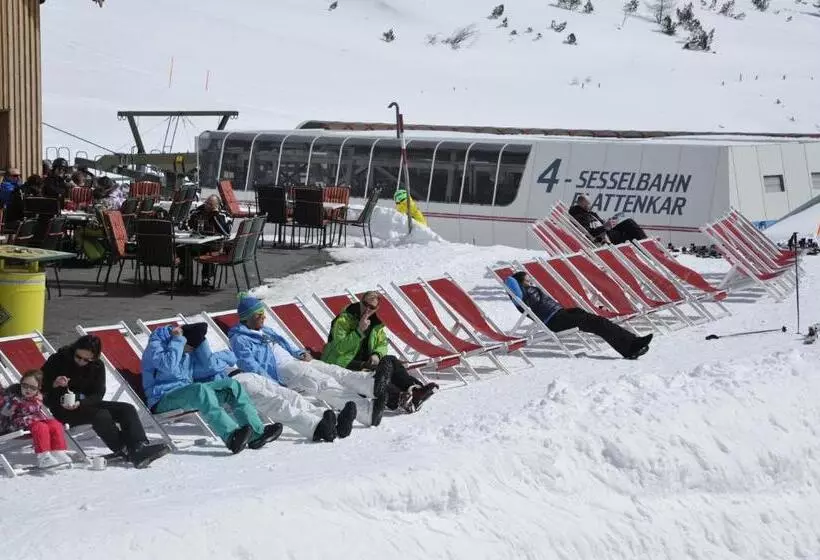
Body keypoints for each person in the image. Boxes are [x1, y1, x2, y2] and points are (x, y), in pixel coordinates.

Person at [229, 293, 388, 432]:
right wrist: (272, 383)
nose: (263, 317)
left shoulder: (265, 329)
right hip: (282, 370)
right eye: (258, 315)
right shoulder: (240, 339)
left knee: (334, 371)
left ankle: (370, 385)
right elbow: (249, 366)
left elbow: (285, 343)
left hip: (294, 361)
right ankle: (366, 411)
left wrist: (300, 353)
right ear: (246, 319)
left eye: (263, 313)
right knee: (323, 383)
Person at [141, 323, 284, 454]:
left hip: (187, 394)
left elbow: (209, 366)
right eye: (190, 347)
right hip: (161, 399)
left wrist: (201, 343)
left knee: (231, 385)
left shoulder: (184, 351)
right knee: (199, 389)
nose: (190, 352)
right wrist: (178, 341)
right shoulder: (155, 347)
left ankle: (256, 434)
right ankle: (230, 436)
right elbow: (169, 367)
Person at [41, 335, 171, 469]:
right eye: (78, 357)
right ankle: (127, 450)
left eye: (86, 359)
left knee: (127, 409)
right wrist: (54, 383)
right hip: (61, 407)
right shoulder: (59, 359)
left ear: (94, 358)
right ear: (74, 350)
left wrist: (82, 402)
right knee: (101, 415)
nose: (81, 361)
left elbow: (98, 394)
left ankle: (140, 446)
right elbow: (38, 384)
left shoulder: (97, 366)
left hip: (85, 403)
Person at [322, 291, 438, 414]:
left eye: (371, 307)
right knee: (374, 375)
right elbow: (340, 348)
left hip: (365, 362)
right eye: (365, 304)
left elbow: (382, 343)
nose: (367, 309)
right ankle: (399, 399)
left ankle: (415, 391)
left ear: (376, 308)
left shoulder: (376, 323)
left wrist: (376, 354)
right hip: (340, 362)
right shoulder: (343, 320)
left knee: (390, 360)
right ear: (360, 301)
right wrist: (358, 331)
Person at [505, 271, 652, 359]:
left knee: (598, 320)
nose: (529, 280)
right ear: (519, 282)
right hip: (555, 321)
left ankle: (632, 341)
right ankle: (630, 348)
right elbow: (510, 282)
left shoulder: (528, 290)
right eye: (526, 279)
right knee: (598, 324)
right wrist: (511, 278)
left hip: (561, 313)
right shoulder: (520, 295)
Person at [0, 370, 73, 469]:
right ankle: (44, 457)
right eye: (25, 386)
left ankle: (58, 452)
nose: (28, 390)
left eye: (32, 388)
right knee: (40, 426)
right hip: (16, 426)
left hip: (33, 425)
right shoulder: (15, 398)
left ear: (38, 389)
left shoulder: (38, 397)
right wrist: (9, 406)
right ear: (20, 384)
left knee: (55, 423)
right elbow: (5, 411)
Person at [185, 194, 232, 286]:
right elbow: (187, 226)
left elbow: (226, 232)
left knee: (209, 250)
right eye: (207, 203)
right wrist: (189, 226)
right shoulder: (198, 212)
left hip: (215, 244)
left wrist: (215, 215)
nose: (207, 206)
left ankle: (206, 279)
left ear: (217, 206)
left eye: (211, 205)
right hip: (197, 242)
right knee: (184, 249)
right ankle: (186, 277)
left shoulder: (223, 215)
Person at [568, 194, 647, 244]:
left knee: (628, 222)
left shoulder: (589, 213)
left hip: (607, 231)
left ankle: (645, 242)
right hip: (604, 237)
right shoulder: (579, 217)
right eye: (588, 204)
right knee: (631, 231)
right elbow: (591, 232)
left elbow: (599, 223)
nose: (590, 206)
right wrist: (605, 226)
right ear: (582, 204)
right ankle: (645, 245)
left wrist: (608, 222)